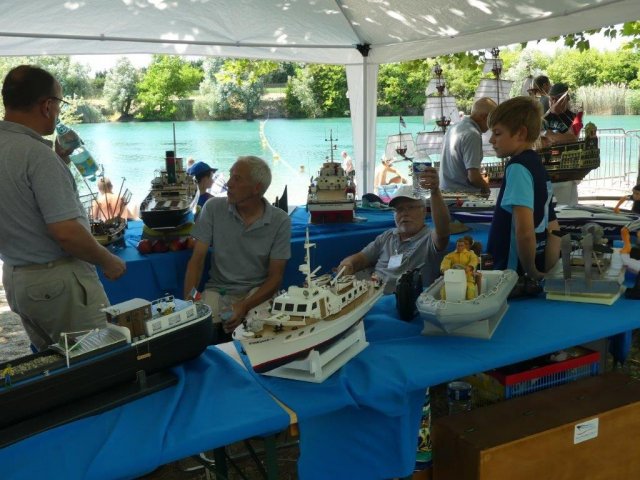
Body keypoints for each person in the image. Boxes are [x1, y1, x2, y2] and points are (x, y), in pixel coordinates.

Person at [0, 65, 126, 351]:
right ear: (46, 106)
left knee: (56, 363)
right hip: (57, 284)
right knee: (98, 357)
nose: (58, 111)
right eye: (59, 103)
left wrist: (60, 159)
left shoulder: (17, 149)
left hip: (17, 278)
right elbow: (66, 232)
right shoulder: (37, 155)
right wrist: (107, 259)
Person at [183, 156, 291, 343]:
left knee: (260, 334)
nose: (229, 183)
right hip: (218, 291)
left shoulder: (280, 221)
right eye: (230, 175)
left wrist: (244, 306)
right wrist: (189, 301)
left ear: (256, 188)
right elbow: (196, 261)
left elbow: (275, 278)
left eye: (237, 178)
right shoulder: (213, 208)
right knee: (195, 332)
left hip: (257, 293)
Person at [336, 168, 451, 294]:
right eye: (399, 209)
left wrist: (435, 192)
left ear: (424, 211)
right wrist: (348, 264)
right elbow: (362, 257)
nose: (405, 213)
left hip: (404, 300)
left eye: (410, 207)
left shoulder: (430, 239)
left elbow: (443, 230)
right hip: (371, 295)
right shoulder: (387, 236)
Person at [486, 96, 561, 281]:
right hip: (534, 269)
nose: (491, 140)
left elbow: (524, 231)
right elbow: (553, 227)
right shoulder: (537, 165)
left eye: (497, 133)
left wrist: (531, 272)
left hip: (511, 275)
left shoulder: (517, 168)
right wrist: (549, 271)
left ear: (520, 133)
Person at [439, 97, 497, 195]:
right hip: (463, 197)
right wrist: (487, 189)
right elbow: (473, 177)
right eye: (492, 120)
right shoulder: (472, 134)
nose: (492, 126)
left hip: (445, 193)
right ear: (484, 117)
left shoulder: (453, 128)